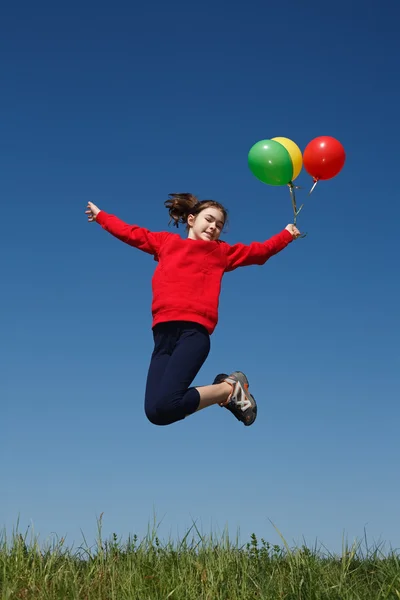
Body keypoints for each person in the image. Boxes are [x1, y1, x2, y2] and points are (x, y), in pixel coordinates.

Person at [85, 193, 300, 427]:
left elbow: (259, 252)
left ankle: (228, 389)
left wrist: (286, 235)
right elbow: (132, 234)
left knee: (168, 403)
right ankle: (227, 389)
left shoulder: (221, 252)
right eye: (208, 220)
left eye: (219, 225)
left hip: (193, 334)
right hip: (162, 336)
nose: (213, 227)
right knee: (156, 413)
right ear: (191, 219)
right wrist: (101, 217)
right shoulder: (167, 243)